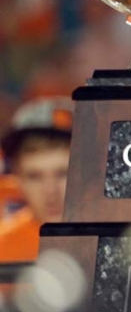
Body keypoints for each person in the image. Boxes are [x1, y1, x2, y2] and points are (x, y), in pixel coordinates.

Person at [0, 97, 73, 262]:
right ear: (17, 177)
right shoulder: (2, 247)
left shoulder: (122, 241)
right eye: (34, 176)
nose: (50, 191)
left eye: (63, 173)